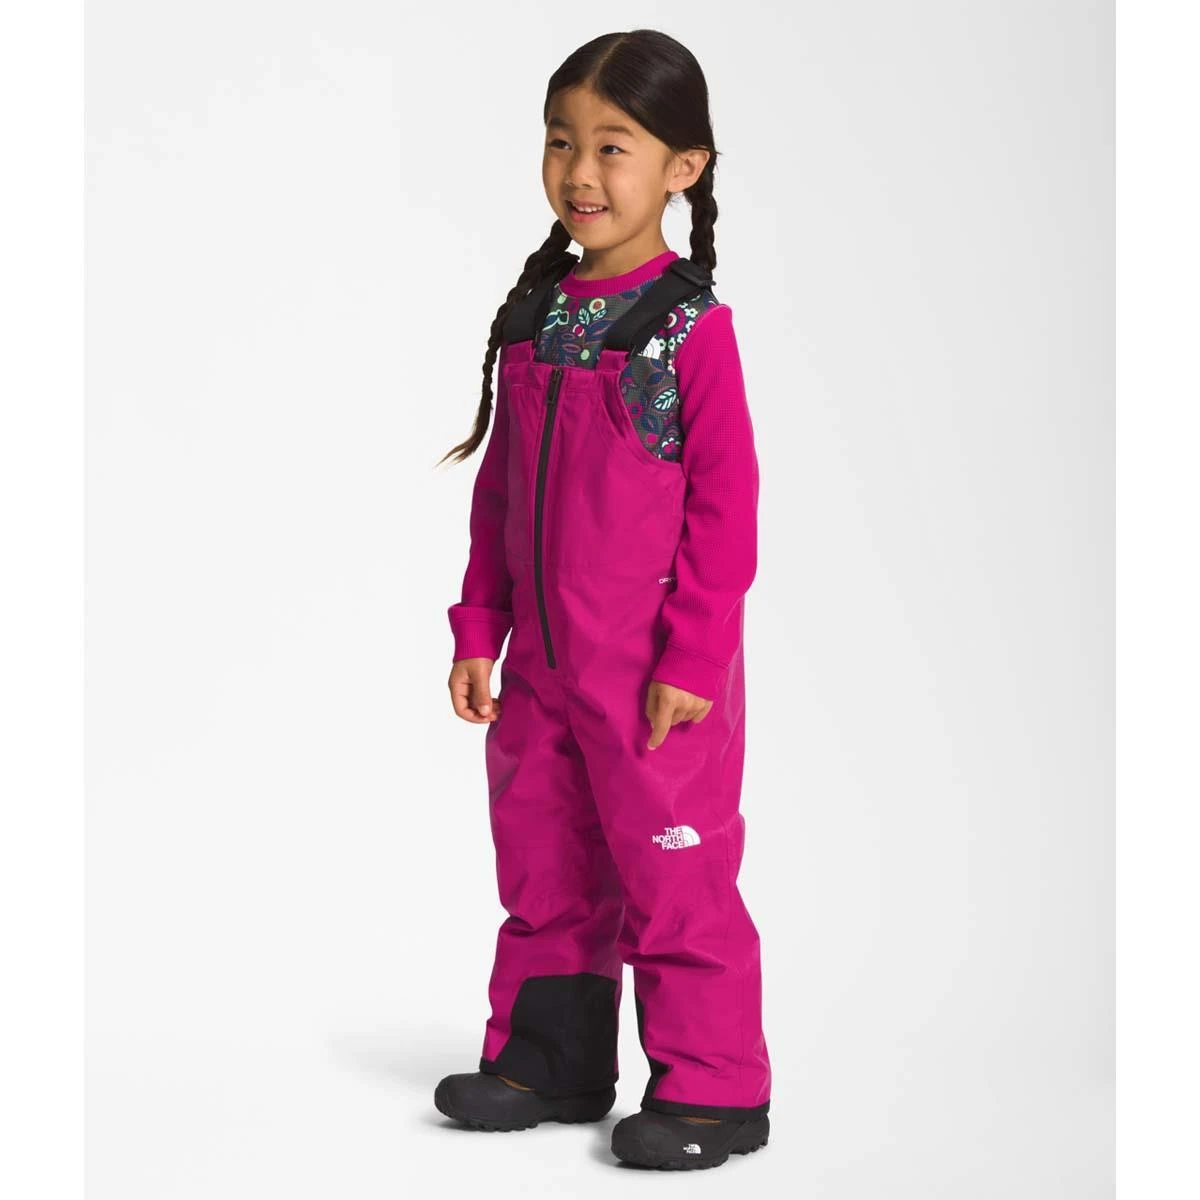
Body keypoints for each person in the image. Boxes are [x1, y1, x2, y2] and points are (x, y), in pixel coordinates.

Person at [434, 29, 771, 1171]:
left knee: (675, 876)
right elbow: (498, 498)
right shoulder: (534, 318)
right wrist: (479, 629)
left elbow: (727, 509)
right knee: (545, 868)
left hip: (651, 677)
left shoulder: (690, 330)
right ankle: (550, 1061)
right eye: (561, 142)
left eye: (612, 147)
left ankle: (714, 1091)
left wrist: (693, 659)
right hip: (540, 673)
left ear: (684, 166)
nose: (580, 171)